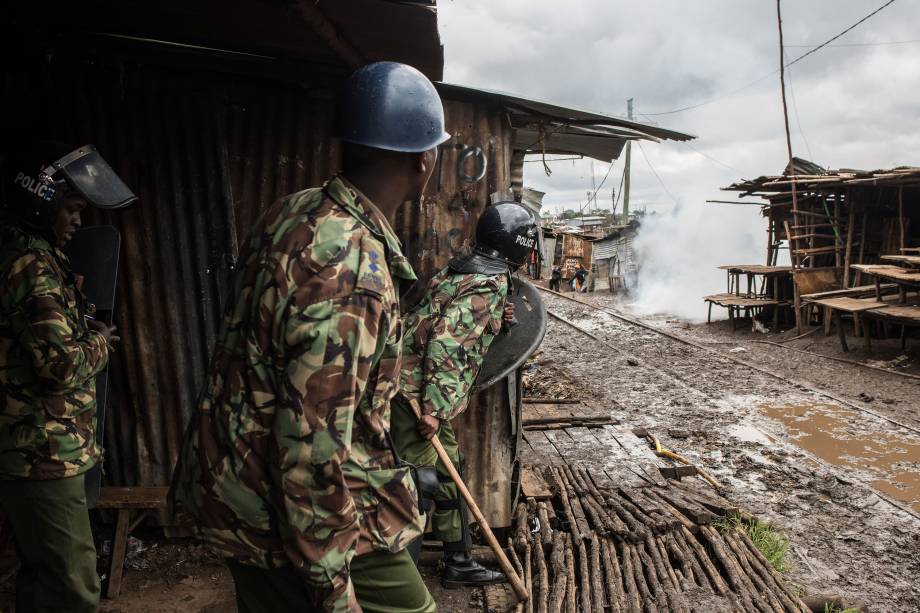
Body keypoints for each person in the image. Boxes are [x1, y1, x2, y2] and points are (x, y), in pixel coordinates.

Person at [170, 61, 450, 613]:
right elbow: (311, 446)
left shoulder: (295, 210)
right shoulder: (353, 271)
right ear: (424, 161)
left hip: (240, 485)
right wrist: (330, 584)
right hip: (301, 512)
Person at [0, 140, 133, 612]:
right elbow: (59, 366)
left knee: (44, 580)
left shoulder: (31, 256)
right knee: (75, 589)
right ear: (43, 204)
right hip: (44, 454)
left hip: (41, 450)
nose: (78, 221)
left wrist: (82, 332)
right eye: (72, 210)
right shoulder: (32, 266)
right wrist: (100, 342)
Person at [391, 202, 538, 588]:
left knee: (448, 469)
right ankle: (403, 580)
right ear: (520, 245)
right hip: (413, 394)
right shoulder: (488, 283)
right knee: (417, 481)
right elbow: (447, 347)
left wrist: (498, 319)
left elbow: (444, 319)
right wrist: (433, 410)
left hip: (416, 386)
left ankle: (459, 561)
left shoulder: (462, 270)